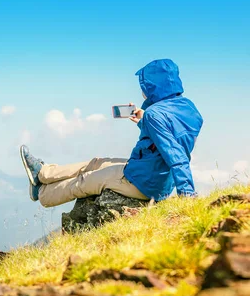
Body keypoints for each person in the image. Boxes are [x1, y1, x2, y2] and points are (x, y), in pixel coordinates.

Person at [20, 59, 203, 207]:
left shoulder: (155, 115)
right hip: (154, 174)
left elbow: (175, 154)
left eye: (145, 85)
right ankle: (43, 173)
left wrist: (187, 194)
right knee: (96, 163)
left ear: (154, 86)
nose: (142, 90)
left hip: (143, 182)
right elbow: (170, 139)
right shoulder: (189, 109)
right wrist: (143, 122)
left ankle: (42, 193)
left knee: (84, 181)